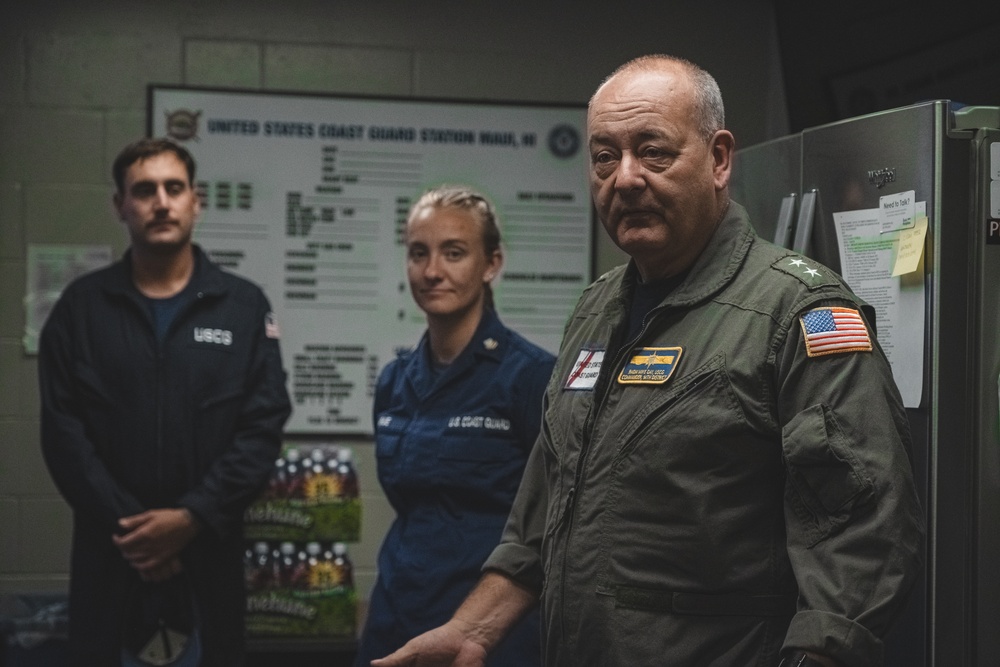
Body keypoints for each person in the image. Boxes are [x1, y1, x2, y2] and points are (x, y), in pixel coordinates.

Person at [370, 55, 924, 667]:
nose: (625, 178)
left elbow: (864, 534)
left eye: (653, 151)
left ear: (718, 159)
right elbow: (541, 514)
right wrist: (472, 631)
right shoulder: (596, 310)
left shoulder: (797, 312)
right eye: (605, 157)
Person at [37, 138, 292, 665]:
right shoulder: (81, 310)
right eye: (144, 190)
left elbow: (261, 428)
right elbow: (64, 436)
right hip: (110, 557)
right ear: (120, 206)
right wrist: (138, 532)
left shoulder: (242, 307)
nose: (161, 202)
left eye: (174, 188)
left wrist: (191, 517)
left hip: (208, 556)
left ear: (195, 200)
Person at [354, 186, 555, 667]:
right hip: (398, 615)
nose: (432, 271)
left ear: (491, 264)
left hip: (492, 631)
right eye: (418, 253)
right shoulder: (394, 381)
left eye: (454, 253)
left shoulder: (531, 377)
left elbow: (551, 522)